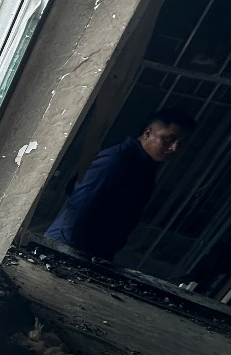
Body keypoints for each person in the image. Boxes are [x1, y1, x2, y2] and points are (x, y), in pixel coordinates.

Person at [45, 107, 195, 261]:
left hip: (90, 253)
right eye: (169, 140)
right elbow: (79, 207)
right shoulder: (117, 160)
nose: (174, 148)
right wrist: (65, 254)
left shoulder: (143, 168)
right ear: (147, 133)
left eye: (181, 144)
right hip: (66, 249)